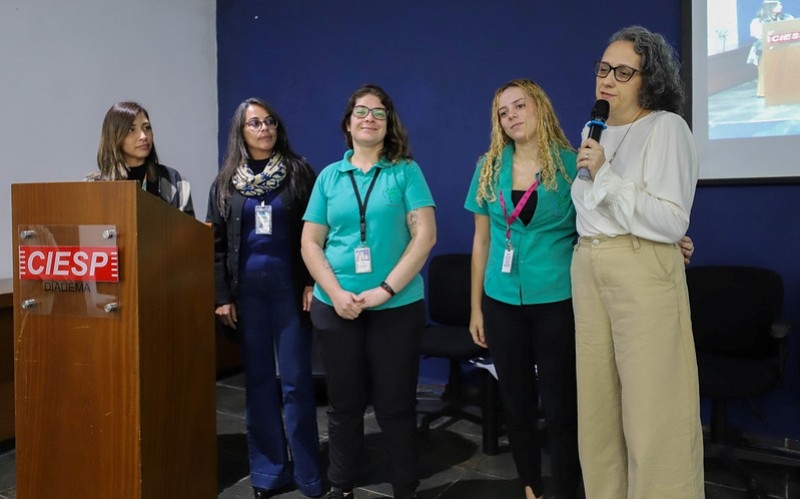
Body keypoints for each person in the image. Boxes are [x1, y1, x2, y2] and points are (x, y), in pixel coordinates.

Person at [571, 26, 703, 498]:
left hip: (639, 271)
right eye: (603, 68)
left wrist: (606, 175)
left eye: (623, 72)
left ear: (650, 79)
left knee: (654, 411)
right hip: (589, 265)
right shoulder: (594, 130)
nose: (607, 79)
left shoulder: (667, 128)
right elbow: (590, 210)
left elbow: (669, 220)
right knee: (598, 410)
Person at [301, 84, 436, 499]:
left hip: (396, 307)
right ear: (348, 122)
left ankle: (404, 486)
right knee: (343, 405)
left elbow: (425, 236)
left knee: (396, 404)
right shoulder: (329, 176)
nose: (370, 119)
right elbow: (310, 243)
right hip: (336, 306)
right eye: (361, 111)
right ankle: (341, 484)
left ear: (389, 123)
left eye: (379, 113)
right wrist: (336, 293)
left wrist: (384, 290)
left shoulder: (405, 172)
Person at [464, 79, 580, 499]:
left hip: (557, 301)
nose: (511, 115)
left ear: (540, 108)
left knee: (562, 406)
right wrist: (476, 309)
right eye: (503, 111)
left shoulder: (571, 165)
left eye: (519, 106)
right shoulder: (488, 167)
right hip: (501, 302)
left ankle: (567, 488)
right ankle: (531, 486)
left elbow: (601, 226)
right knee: (517, 404)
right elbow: (481, 241)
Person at [206, 97, 323, 498]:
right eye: (255, 123)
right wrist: (221, 297)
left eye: (270, 121)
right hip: (247, 297)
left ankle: (308, 474)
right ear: (240, 132)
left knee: (296, 383)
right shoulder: (225, 182)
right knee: (257, 384)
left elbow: (316, 232)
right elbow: (215, 246)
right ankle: (269, 473)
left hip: (290, 293)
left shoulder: (299, 173)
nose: (264, 128)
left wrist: (312, 281)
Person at [87, 101, 194, 215]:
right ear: (114, 136)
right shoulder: (92, 186)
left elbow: (188, 226)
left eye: (147, 128)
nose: (143, 136)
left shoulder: (174, 180)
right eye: (131, 130)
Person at [747, 0, 794, 97]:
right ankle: (764, 91)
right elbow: (759, 35)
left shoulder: (787, 17)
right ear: (770, 7)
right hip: (765, 47)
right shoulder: (758, 21)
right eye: (778, 5)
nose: (781, 6)